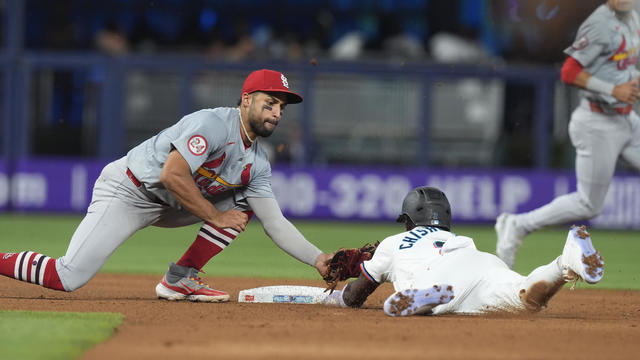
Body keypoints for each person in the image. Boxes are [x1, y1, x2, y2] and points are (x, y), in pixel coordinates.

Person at [0, 69, 332, 302]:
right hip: (129, 191)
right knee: (67, 277)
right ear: (246, 100)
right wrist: (214, 217)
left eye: (280, 108)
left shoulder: (257, 163)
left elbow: (275, 223)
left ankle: (179, 278)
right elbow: (171, 175)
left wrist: (319, 259)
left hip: (172, 205)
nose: (276, 112)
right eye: (269, 102)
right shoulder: (214, 124)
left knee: (244, 204)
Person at [495, 0, 640, 269]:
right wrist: (613, 90)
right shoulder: (600, 26)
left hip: (626, 120)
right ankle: (517, 225)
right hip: (598, 122)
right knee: (588, 205)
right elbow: (569, 71)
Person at [322, 186, 604, 317]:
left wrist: (342, 296)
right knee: (526, 298)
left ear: (407, 221)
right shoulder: (450, 236)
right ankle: (564, 262)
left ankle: (426, 298)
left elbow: (354, 297)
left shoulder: (394, 243)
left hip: (438, 274)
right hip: (481, 262)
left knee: (403, 303)